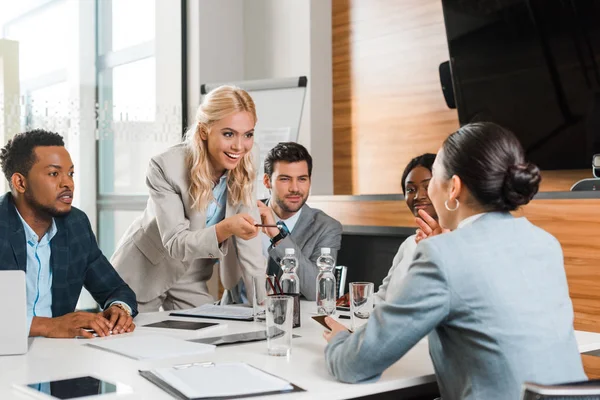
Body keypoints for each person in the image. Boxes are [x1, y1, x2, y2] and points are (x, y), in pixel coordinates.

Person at [322, 122, 586, 399]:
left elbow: (355, 364)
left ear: (454, 188)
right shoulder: (545, 243)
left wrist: (339, 339)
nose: (428, 191)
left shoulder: (443, 255)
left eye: (433, 178)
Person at [111, 85, 264, 312]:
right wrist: (226, 227)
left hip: (190, 277)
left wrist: (266, 308)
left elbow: (249, 242)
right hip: (144, 271)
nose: (239, 146)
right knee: (134, 343)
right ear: (204, 131)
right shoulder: (165, 166)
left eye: (248, 134)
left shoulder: (247, 159)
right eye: (228, 134)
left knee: (212, 333)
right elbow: (175, 242)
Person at [0, 130, 137, 338]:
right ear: (20, 183)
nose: (68, 184)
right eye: (54, 174)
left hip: (61, 355)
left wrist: (119, 309)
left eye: (70, 174)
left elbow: (116, 289)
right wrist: (47, 326)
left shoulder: (75, 225)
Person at [256, 142, 342, 301]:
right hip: (237, 315)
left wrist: (277, 236)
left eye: (302, 179)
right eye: (285, 179)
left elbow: (317, 291)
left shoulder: (326, 227)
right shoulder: (247, 214)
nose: (295, 188)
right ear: (267, 181)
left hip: (294, 319)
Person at [374, 153, 437, 303]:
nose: (418, 196)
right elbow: (383, 297)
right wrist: (356, 301)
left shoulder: (455, 243)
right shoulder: (409, 243)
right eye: (410, 190)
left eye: (427, 187)